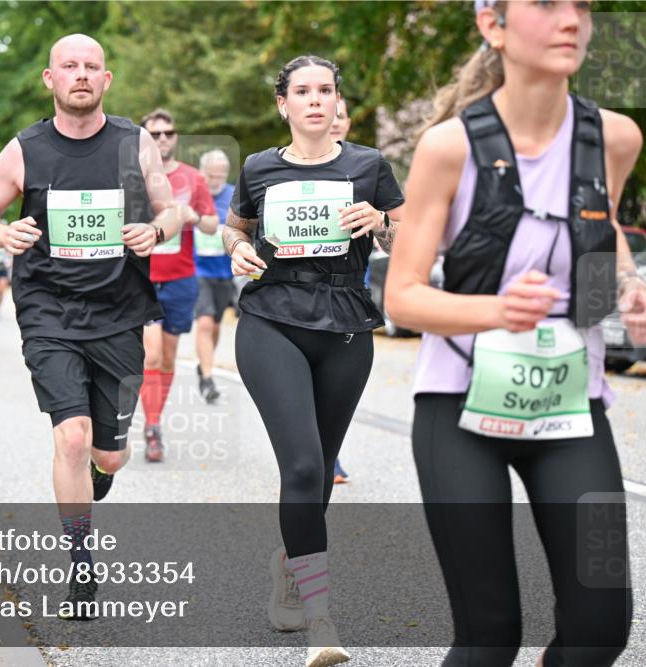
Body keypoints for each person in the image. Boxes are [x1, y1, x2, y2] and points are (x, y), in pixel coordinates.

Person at [385, 3, 641, 666]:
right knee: (489, 635)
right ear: (492, 26)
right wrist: (497, 310)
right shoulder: (450, 146)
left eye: (582, 6)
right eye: (547, 4)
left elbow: (596, 235)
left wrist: (627, 292)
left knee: (600, 628)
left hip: (571, 406)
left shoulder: (614, 137)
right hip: (458, 409)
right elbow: (403, 294)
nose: (573, 20)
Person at [0, 33, 182, 618]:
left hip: (119, 310)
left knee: (109, 456)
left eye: (92, 66)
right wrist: (2, 233)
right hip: (49, 310)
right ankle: (81, 567)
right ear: (50, 78)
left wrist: (156, 231)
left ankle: (99, 470)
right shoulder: (24, 149)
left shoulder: (134, 142)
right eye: (70, 66)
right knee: (70, 435)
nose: (81, 74)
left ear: (106, 80)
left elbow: (173, 209)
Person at [224, 54, 404, 665]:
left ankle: (288, 564)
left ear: (335, 101)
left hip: (346, 326)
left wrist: (380, 222)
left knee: (322, 471)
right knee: (301, 467)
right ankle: (320, 620)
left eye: (325, 90)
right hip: (272, 320)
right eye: (302, 91)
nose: (315, 100)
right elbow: (235, 228)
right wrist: (238, 251)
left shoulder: (368, 165)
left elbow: (410, 235)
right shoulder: (259, 167)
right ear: (284, 104)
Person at [139, 108, 218, 462]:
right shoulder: (131, 177)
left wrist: (194, 217)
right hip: (141, 278)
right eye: (154, 134)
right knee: (150, 353)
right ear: (143, 138)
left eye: (168, 133)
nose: (162, 139)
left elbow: (213, 225)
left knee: (168, 357)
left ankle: (154, 419)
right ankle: (152, 426)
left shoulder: (193, 179)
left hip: (180, 279)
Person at [193, 149, 236, 404]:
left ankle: (203, 365)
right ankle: (208, 378)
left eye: (220, 174)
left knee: (216, 325)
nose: (216, 179)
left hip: (224, 270)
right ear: (202, 173)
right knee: (205, 322)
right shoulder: (192, 195)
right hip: (197, 270)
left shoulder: (233, 196)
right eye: (211, 174)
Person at [329, 97, 354, 486]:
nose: (333, 120)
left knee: (333, 393)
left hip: (350, 298)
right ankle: (315, 459)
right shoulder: (271, 166)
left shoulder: (366, 166)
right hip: (292, 299)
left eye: (341, 115)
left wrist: (380, 220)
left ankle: (328, 451)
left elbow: (400, 239)